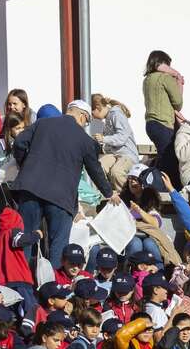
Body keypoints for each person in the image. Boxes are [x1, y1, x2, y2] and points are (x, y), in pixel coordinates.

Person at [12, 105, 116, 268]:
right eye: (87, 121)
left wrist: (25, 164)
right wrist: (109, 193)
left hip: (30, 188)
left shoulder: (42, 124)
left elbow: (19, 142)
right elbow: (94, 169)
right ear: (82, 116)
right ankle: (53, 288)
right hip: (61, 198)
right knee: (58, 245)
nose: (85, 125)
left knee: (24, 239)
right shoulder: (85, 140)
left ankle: (20, 284)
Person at [141, 50, 184, 180]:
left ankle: (155, 182)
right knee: (169, 160)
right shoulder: (165, 78)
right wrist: (178, 82)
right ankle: (164, 187)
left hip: (150, 124)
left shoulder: (147, 80)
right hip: (163, 123)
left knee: (162, 156)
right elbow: (178, 103)